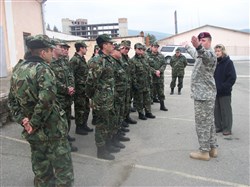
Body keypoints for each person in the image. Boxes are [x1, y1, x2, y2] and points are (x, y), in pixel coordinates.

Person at [8, 34, 74, 186]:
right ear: (43, 53)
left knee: (41, 170)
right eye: (51, 50)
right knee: (63, 171)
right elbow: (46, 101)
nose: (52, 54)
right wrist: (34, 123)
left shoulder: (18, 69)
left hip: (32, 131)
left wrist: (24, 120)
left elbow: (12, 100)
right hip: (52, 130)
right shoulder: (44, 70)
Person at [185, 32, 218, 161]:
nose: (202, 42)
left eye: (204, 40)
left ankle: (204, 152)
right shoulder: (201, 55)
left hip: (204, 95)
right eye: (200, 40)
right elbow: (196, 54)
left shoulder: (210, 54)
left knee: (202, 124)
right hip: (204, 94)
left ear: (209, 41)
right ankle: (212, 148)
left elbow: (204, 54)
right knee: (209, 122)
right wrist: (188, 47)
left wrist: (198, 46)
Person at [85, 34, 118, 160]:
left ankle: (108, 145)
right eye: (111, 43)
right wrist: (92, 97)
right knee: (101, 125)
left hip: (109, 97)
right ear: (104, 45)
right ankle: (101, 150)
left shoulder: (108, 59)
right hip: (101, 99)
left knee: (109, 123)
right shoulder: (97, 60)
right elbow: (90, 81)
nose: (113, 45)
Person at [50, 39, 78, 152]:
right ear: (53, 48)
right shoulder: (49, 63)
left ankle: (66, 136)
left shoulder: (63, 61)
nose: (63, 49)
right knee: (60, 122)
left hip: (67, 96)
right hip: (58, 97)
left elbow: (70, 74)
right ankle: (63, 144)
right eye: (60, 46)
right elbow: (53, 81)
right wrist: (66, 89)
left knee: (67, 118)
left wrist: (71, 87)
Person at [69, 41, 93, 135]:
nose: (86, 49)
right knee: (80, 108)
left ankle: (84, 124)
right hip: (79, 89)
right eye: (85, 48)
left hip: (85, 89)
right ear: (81, 48)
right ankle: (79, 127)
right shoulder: (74, 60)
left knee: (86, 108)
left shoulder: (82, 59)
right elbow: (71, 75)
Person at [214, 44, 237, 135]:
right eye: (215, 51)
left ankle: (227, 128)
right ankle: (218, 126)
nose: (217, 53)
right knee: (216, 111)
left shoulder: (228, 62)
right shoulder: (215, 63)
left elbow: (232, 78)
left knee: (225, 111)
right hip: (215, 91)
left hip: (225, 92)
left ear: (223, 52)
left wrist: (224, 87)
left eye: (219, 51)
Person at [131, 43, 156, 120]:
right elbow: (133, 74)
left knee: (147, 99)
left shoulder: (144, 59)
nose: (140, 51)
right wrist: (135, 84)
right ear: (135, 49)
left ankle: (148, 112)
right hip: (139, 84)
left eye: (142, 49)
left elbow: (148, 69)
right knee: (139, 100)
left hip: (146, 83)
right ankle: (141, 113)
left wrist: (150, 80)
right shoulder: (133, 61)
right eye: (139, 49)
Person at [120, 40, 137, 125]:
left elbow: (131, 71)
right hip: (121, 86)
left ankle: (127, 117)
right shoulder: (118, 58)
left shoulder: (127, 58)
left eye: (128, 49)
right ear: (121, 47)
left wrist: (133, 83)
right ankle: (121, 120)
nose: (127, 50)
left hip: (128, 84)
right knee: (122, 104)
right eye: (125, 48)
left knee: (127, 102)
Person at [147, 42, 168, 111]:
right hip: (151, 77)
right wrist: (154, 71)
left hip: (159, 77)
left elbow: (164, 64)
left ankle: (162, 105)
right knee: (150, 92)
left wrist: (159, 71)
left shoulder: (161, 56)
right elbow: (147, 66)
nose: (156, 48)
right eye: (154, 47)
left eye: (157, 47)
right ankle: (148, 108)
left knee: (161, 91)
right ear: (151, 47)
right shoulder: (147, 56)